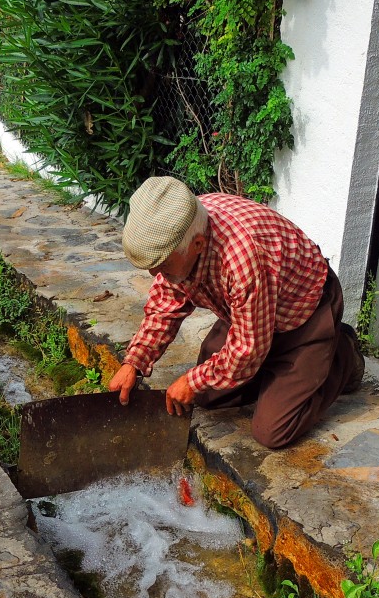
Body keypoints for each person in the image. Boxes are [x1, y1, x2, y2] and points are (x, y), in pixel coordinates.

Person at [109, 176, 364, 449]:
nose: (154, 274)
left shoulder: (242, 257)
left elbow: (248, 348)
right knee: (207, 397)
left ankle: (341, 355)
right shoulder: (180, 224)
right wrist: (134, 362)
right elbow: (164, 307)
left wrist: (193, 380)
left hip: (305, 316)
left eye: (163, 266)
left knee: (273, 431)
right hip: (253, 315)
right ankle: (275, 373)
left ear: (197, 245)